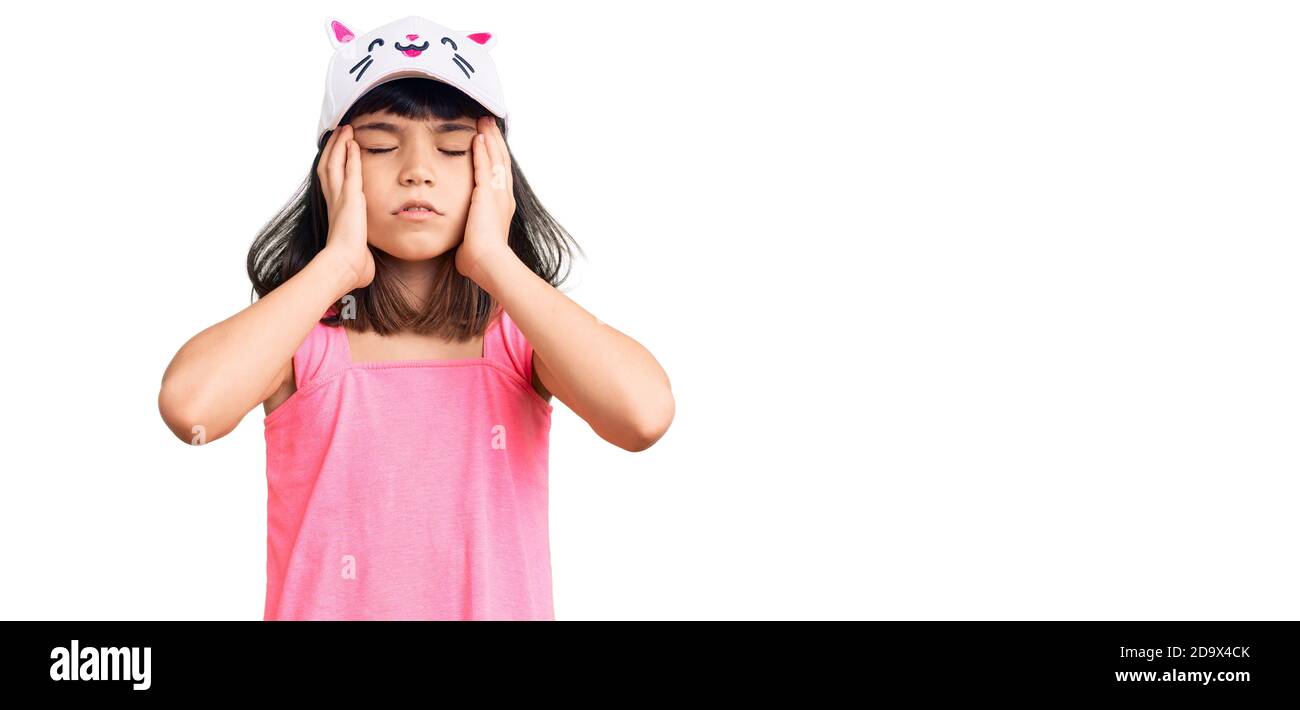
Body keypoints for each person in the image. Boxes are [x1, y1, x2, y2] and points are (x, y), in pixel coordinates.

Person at [157, 15, 675, 620]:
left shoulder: (519, 339)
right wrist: (337, 265)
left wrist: (495, 260)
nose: (417, 170)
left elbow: (644, 416)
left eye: (453, 148)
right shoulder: (302, 338)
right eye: (380, 146)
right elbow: (190, 409)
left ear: (496, 169)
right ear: (334, 166)